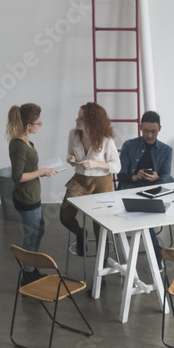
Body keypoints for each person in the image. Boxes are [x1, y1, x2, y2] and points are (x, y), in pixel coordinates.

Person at [6, 103, 59, 283]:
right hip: (27, 198)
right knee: (30, 235)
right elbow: (17, 176)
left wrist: (42, 170)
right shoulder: (19, 145)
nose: (40, 125)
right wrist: (42, 172)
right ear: (28, 126)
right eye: (38, 123)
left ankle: (31, 267)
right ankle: (27, 275)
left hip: (32, 195)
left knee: (38, 230)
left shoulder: (25, 140)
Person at [60, 102, 120, 256]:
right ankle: (80, 233)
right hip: (80, 179)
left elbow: (117, 166)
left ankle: (103, 269)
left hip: (102, 182)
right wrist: (71, 159)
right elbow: (68, 155)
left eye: (81, 118)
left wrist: (96, 163)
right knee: (65, 216)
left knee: (100, 226)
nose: (76, 120)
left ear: (91, 121)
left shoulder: (106, 138)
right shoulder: (73, 134)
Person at [118, 110, 173, 268]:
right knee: (144, 212)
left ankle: (155, 249)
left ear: (159, 129)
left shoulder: (166, 150)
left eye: (153, 131)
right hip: (131, 188)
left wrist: (155, 178)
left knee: (168, 179)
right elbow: (121, 175)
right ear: (141, 128)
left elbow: (166, 176)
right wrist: (136, 177)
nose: (149, 135)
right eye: (146, 131)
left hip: (153, 189)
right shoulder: (129, 145)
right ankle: (156, 249)